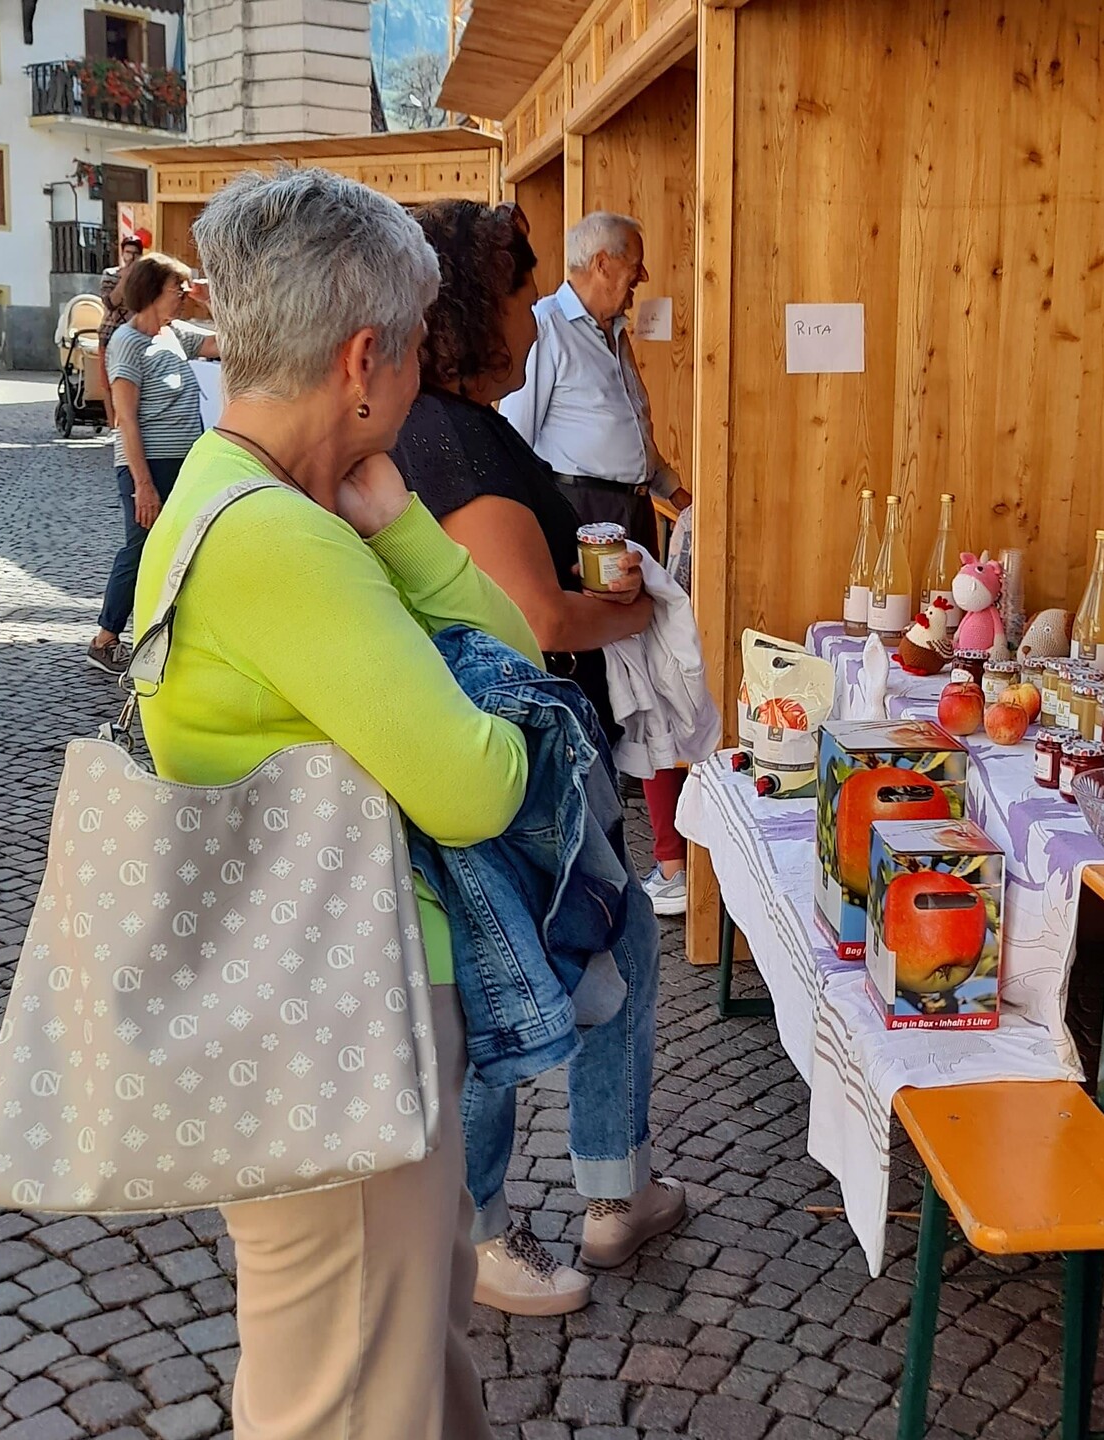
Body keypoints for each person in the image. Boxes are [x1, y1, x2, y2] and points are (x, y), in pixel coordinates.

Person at [133, 167, 528, 1440]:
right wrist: (405, 544)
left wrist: (397, 524)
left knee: (397, 1357)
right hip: (343, 1009)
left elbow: (514, 661)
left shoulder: (227, 491)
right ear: (366, 358)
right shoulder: (284, 541)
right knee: (349, 1398)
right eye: (410, 351)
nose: (414, 383)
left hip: (305, 996)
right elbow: (483, 778)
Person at [394, 199, 686, 1317]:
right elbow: (535, 619)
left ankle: (616, 1190)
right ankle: (482, 1233)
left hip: (526, 750)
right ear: (479, 307)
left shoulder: (459, 422)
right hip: (511, 760)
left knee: (620, 949)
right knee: (503, 991)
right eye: (521, 292)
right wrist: (637, 614)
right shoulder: (451, 437)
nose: (534, 311)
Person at [500, 211, 695, 917]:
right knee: (598, 673)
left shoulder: (613, 334)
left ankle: (648, 849)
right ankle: (586, 853)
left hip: (630, 509)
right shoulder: (550, 327)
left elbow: (634, 436)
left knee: (641, 667)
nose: (643, 276)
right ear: (602, 262)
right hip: (581, 514)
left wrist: (675, 490)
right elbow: (516, 439)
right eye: (634, 262)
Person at [88, 253, 219, 675]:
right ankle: (105, 638)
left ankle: (168, 635)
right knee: (141, 547)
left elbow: (232, 343)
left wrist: (211, 300)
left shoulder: (173, 333)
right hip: (148, 464)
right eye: (176, 288)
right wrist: (143, 485)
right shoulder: (128, 342)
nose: (182, 295)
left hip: (184, 462)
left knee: (183, 547)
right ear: (151, 291)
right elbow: (126, 419)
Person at [96, 235, 145, 419]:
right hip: (110, 333)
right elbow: (110, 303)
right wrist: (125, 279)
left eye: (135, 254)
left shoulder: (143, 279)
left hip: (134, 335)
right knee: (108, 382)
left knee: (131, 381)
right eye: (127, 252)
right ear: (122, 253)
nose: (130, 257)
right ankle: (111, 425)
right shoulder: (110, 274)